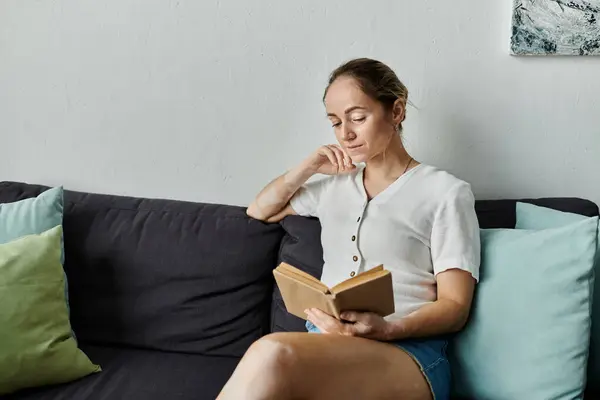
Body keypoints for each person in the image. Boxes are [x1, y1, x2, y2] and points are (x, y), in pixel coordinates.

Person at [217, 57, 481, 400]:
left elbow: (455, 306)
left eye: (358, 118)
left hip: (406, 353)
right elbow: (261, 210)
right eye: (335, 122)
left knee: (272, 353)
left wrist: (387, 329)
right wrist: (309, 166)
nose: (346, 133)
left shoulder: (446, 192)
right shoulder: (335, 187)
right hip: (324, 342)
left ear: (396, 111)